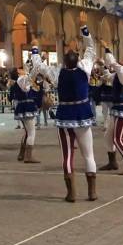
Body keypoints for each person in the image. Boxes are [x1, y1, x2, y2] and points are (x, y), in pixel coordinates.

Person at [32, 12, 98, 202]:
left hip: (64, 116)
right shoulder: (85, 67)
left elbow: (38, 66)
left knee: (67, 155)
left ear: (64, 60)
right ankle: (92, 191)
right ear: (77, 59)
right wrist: (83, 27)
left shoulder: (57, 72)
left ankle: (71, 193)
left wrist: (35, 49)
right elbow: (91, 49)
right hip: (83, 113)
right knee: (88, 155)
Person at [98, 41, 123, 176]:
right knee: (108, 137)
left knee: (117, 139)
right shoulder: (122, 73)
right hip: (117, 109)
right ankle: (112, 162)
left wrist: (107, 48)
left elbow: (115, 65)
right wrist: (103, 65)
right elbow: (109, 76)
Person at [10, 65, 39, 163]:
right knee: (31, 133)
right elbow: (30, 76)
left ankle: (22, 154)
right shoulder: (21, 79)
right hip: (26, 107)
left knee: (27, 132)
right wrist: (35, 66)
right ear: (18, 72)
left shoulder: (21, 80)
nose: (23, 70)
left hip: (23, 107)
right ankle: (28, 156)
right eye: (20, 69)